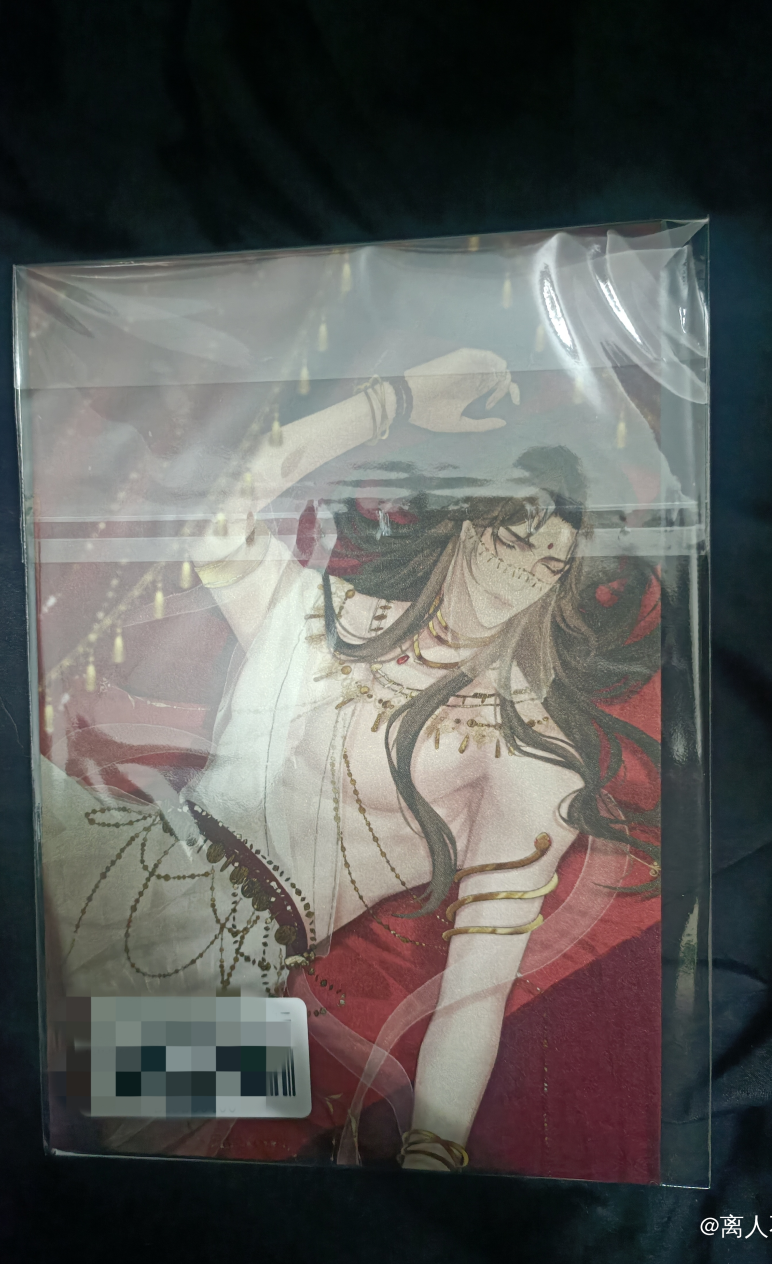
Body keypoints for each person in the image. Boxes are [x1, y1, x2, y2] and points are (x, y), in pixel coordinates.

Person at [102, 346, 657, 1171]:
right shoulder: (322, 609)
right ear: (470, 517)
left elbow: (474, 993)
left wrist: (434, 1156)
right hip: (109, 859)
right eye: (515, 532)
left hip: (230, 971)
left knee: (91, 1151)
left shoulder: (532, 754)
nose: (525, 569)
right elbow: (214, 513)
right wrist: (392, 400)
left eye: (552, 560)